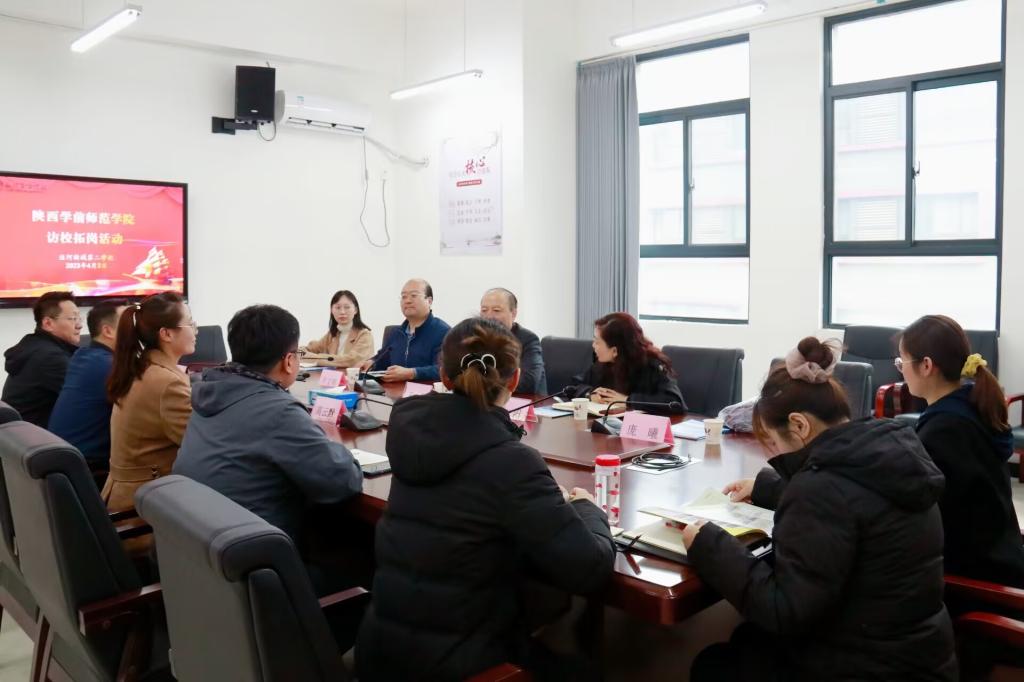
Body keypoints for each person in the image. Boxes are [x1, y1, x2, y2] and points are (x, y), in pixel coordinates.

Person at [683, 337, 956, 682]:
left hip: (862, 666)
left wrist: (710, 544)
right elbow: (851, 501)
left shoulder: (819, 490)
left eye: (773, 442)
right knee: (747, 640)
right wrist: (766, 487)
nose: (772, 454)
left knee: (713, 664)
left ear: (799, 425)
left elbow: (783, 610)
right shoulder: (887, 454)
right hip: (919, 654)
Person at [356, 317, 615, 681]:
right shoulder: (512, 462)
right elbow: (589, 568)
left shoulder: (410, 433)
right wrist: (586, 507)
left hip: (382, 652)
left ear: (444, 376)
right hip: (461, 663)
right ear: (514, 380)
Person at [174, 304, 363, 544]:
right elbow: (342, 481)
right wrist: (337, 448)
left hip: (197, 547)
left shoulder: (209, 392)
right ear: (289, 361)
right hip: (253, 552)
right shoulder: (279, 411)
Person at [897, 315, 1024, 588]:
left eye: (901, 362)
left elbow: (926, 516)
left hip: (975, 579)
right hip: (1003, 557)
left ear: (926, 365)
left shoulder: (944, 431)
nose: (900, 371)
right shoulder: (972, 406)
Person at [104, 292, 195, 519]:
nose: (196, 330)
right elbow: (199, 445)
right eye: (190, 323)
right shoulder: (166, 382)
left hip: (126, 495)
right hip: (144, 510)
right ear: (166, 334)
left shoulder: (144, 367)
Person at [48, 300, 128, 462]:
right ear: (108, 331)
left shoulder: (84, 356)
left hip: (68, 461)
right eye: (130, 324)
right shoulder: (108, 366)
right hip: (92, 467)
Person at [564, 312, 685, 413]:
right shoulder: (603, 364)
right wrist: (590, 394)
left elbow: (674, 403)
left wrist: (628, 400)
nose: (593, 345)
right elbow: (574, 387)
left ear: (615, 351)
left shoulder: (651, 365)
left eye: (597, 342)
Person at [2, 291, 82, 426]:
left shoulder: (35, 345)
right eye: (73, 319)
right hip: (34, 435)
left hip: (19, 433)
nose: (79, 325)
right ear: (48, 323)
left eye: (79, 318)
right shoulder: (49, 357)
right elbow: (86, 397)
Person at [364, 278, 450, 383]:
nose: (407, 301)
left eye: (413, 295)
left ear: (429, 301)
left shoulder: (443, 331)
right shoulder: (396, 333)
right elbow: (382, 360)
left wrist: (411, 373)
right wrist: (371, 363)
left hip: (427, 392)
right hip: (393, 390)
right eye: (404, 297)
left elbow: (443, 369)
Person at [479, 288, 547, 394]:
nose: (489, 316)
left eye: (496, 310)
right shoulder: (476, 336)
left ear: (513, 313)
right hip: (486, 400)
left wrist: (481, 384)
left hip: (525, 401)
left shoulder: (527, 339)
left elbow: (528, 383)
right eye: (484, 310)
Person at [301, 290, 374, 368]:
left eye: (347, 307)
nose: (342, 312)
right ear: (332, 310)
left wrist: (314, 358)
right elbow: (304, 351)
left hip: (353, 375)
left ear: (355, 310)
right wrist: (300, 353)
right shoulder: (332, 334)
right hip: (333, 375)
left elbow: (352, 361)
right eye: (338, 307)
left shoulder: (364, 335)